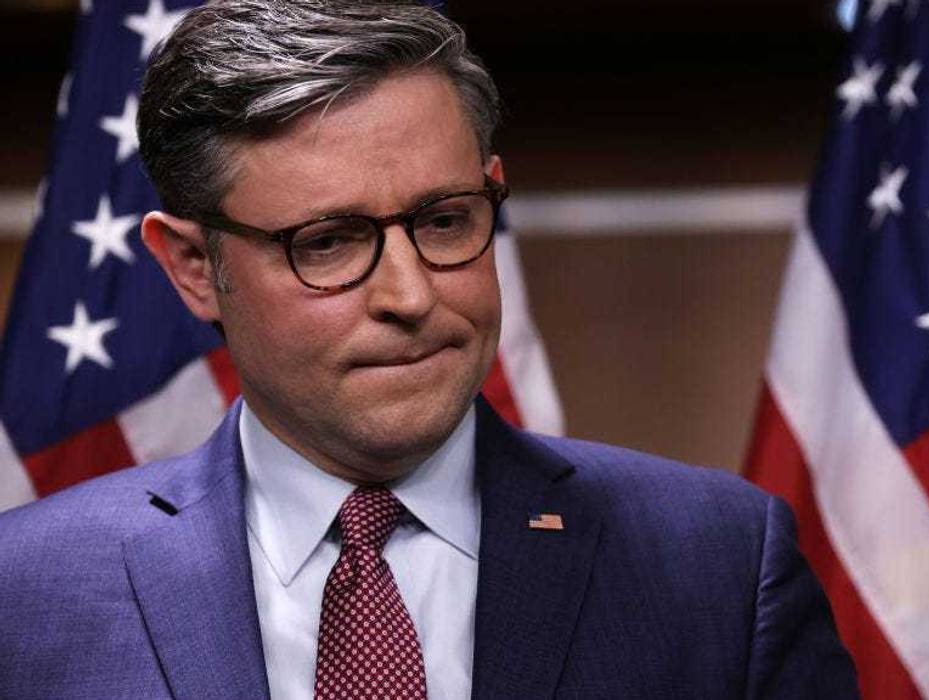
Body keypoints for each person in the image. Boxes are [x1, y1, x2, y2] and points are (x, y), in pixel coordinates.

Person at [0, 2, 859, 698]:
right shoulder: (24, 593)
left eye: (444, 221)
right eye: (327, 242)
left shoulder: (719, 564)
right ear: (194, 267)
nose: (412, 297)